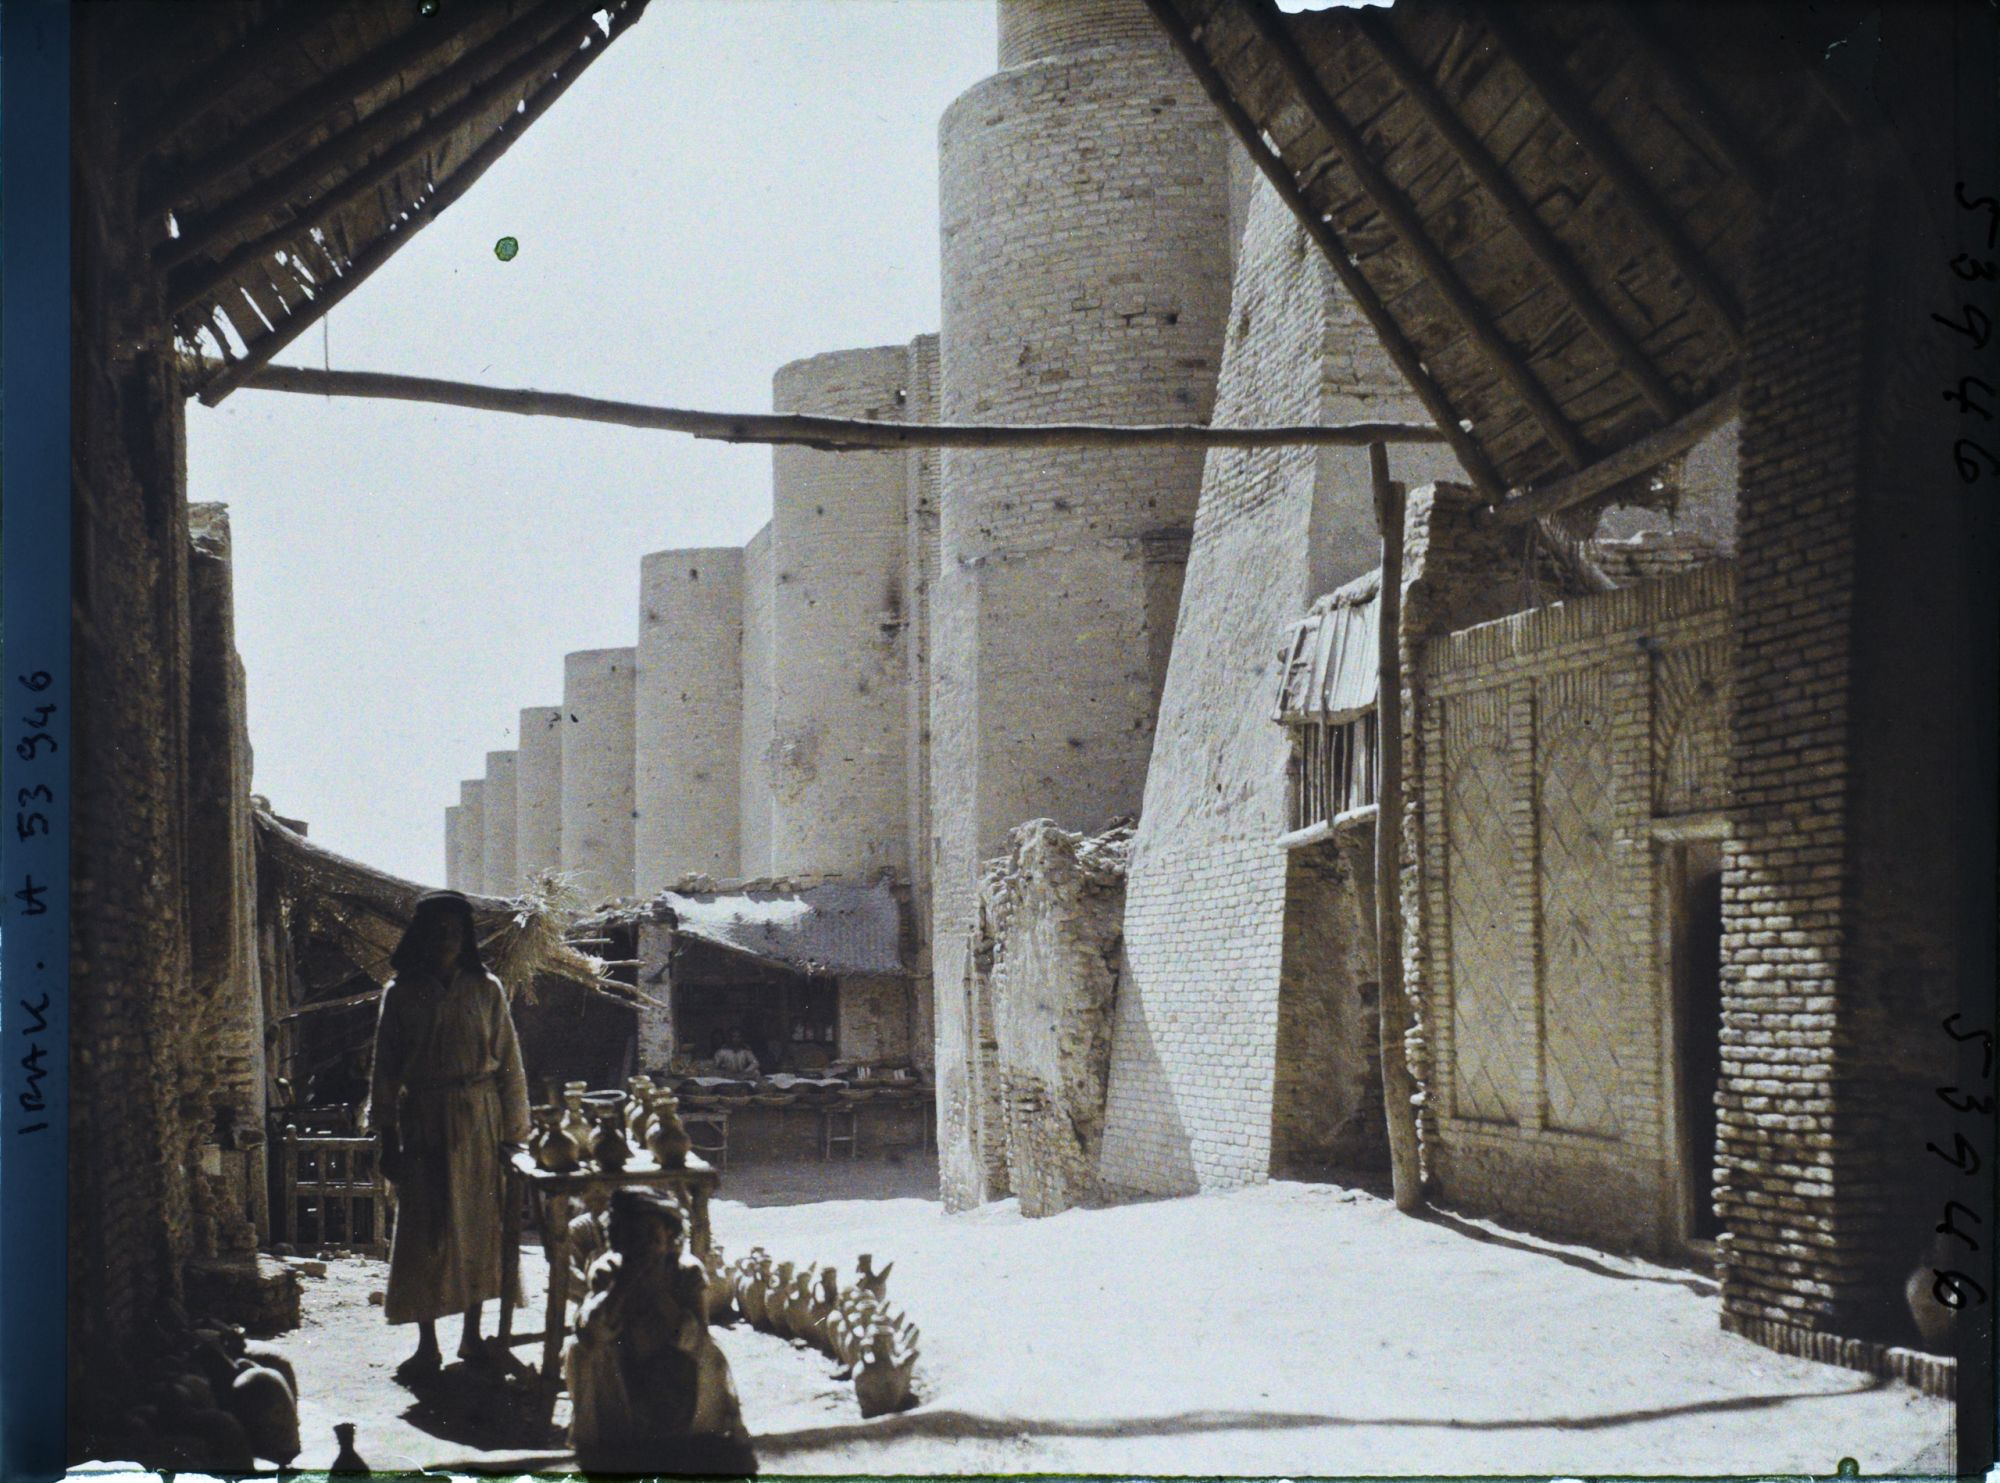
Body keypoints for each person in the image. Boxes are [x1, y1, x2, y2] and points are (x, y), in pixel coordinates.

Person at [367, 890, 531, 1381]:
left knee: (479, 1226)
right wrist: (386, 1137)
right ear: (421, 937)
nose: (446, 940)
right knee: (426, 1232)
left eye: (455, 932)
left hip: (478, 1117)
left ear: (465, 938)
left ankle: (472, 1337)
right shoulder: (400, 994)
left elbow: (511, 1066)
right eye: (437, 931)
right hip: (423, 1120)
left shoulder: (487, 990)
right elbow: (385, 1072)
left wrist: (513, 1134)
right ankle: (427, 1345)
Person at [565, 1187, 755, 1474]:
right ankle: (614, 1442)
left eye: (652, 1234)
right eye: (633, 1236)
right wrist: (627, 1281)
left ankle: (691, 1437)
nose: (643, 1244)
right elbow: (593, 1332)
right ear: (618, 1238)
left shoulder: (687, 1271)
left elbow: (698, 1337)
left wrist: (656, 1289)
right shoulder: (607, 1271)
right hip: (624, 1364)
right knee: (580, 1349)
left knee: (709, 1355)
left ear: (669, 1234)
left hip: (676, 1360)